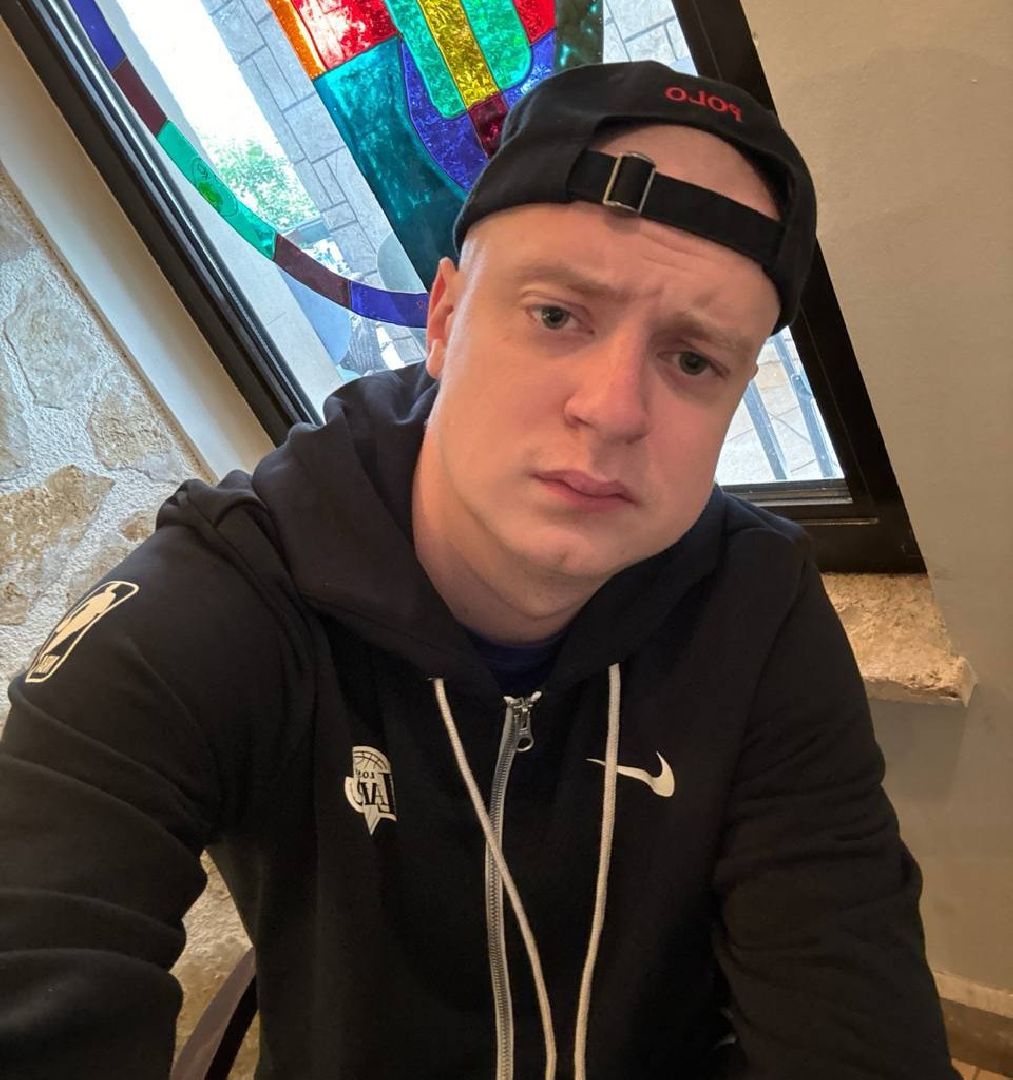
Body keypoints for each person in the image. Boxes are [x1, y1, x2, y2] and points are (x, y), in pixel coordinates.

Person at [0, 61, 957, 1079]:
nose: (612, 409)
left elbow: (847, 991)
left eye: (692, 360)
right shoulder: (224, 597)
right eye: (556, 315)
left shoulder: (754, 606)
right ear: (446, 320)